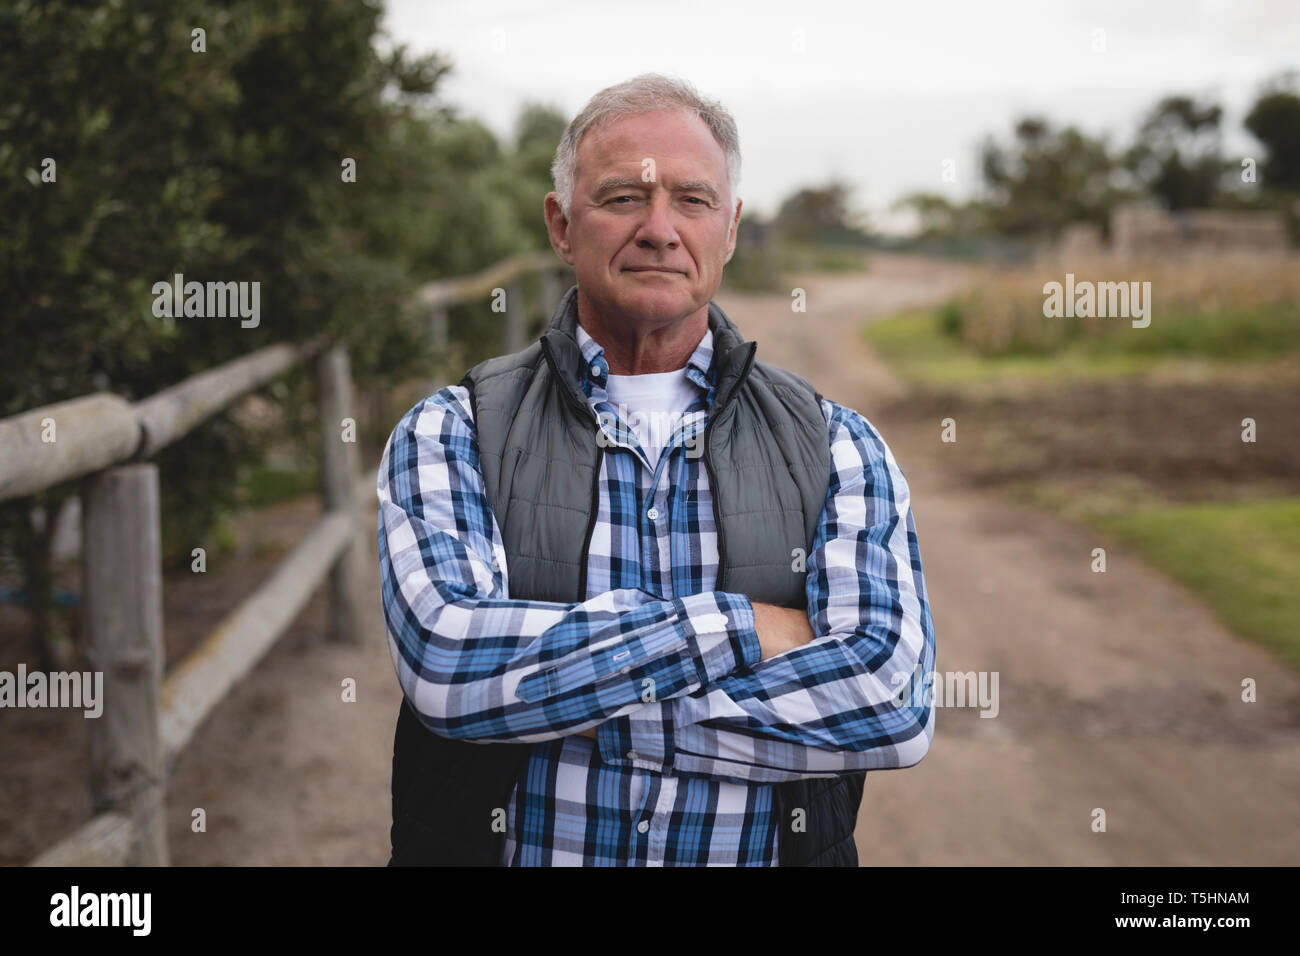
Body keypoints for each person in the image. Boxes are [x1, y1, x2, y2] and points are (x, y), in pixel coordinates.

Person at [377, 73, 935, 866]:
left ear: (731, 229)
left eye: (694, 201)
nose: (660, 229)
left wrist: (572, 702)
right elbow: (447, 664)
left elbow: (890, 700)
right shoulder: (454, 430)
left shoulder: (838, 444)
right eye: (623, 199)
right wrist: (750, 627)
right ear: (561, 224)